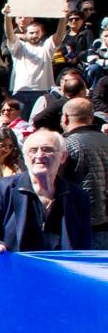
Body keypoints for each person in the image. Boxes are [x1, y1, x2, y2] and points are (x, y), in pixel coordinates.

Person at [0, 129, 92, 252]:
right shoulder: (2, 189)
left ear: (63, 157)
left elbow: (84, 243)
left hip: (60, 269)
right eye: (33, 150)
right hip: (16, 267)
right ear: (25, 157)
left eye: (47, 149)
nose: (39, 156)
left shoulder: (78, 196)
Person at [58, 97, 108, 248]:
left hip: (80, 225)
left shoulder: (66, 144)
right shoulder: (106, 140)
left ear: (65, 117)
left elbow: (56, 182)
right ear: (91, 118)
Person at [4, 2, 68, 112]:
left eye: (37, 32)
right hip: (20, 91)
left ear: (43, 33)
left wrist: (64, 17)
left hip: (42, 91)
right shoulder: (19, 47)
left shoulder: (47, 47)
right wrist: (7, 16)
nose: (34, 35)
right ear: (25, 33)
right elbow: (9, 34)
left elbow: (59, 35)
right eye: (31, 33)